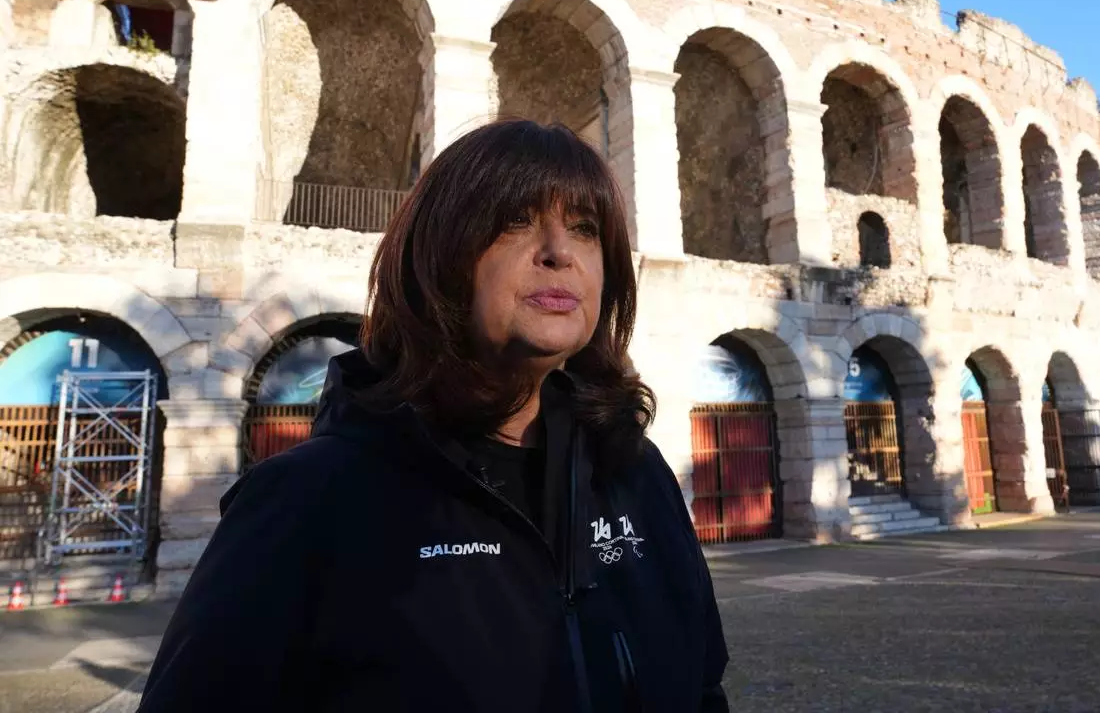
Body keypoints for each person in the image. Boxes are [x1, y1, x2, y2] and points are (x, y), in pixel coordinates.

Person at [137, 119, 730, 712]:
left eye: (585, 229)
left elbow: (703, 689)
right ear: (439, 255)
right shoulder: (310, 499)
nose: (559, 252)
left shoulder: (636, 470)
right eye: (516, 221)